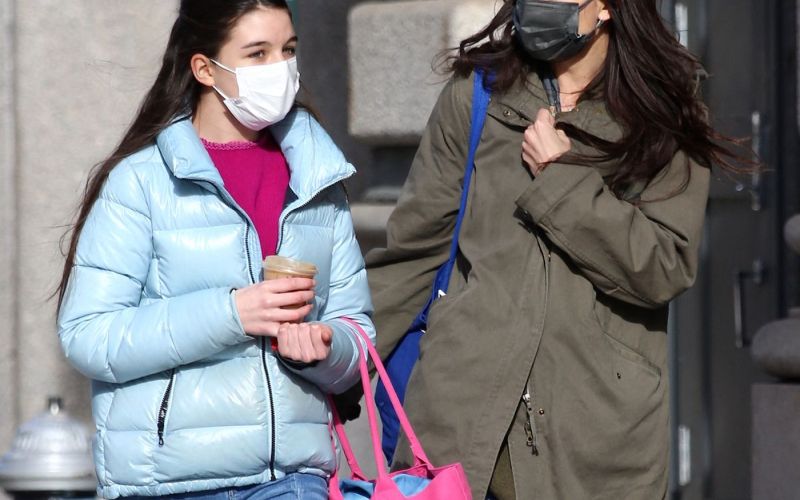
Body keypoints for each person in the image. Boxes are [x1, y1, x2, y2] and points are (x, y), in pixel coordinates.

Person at [365, 0, 750, 498]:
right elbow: (412, 253)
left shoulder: (664, 112)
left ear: (606, 8)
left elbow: (663, 266)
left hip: (593, 442)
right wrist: (340, 359)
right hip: (457, 428)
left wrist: (560, 180)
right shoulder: (478, 93)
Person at [55, 1, 375, 498]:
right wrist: (232, 314)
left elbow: (357, 332)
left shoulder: (318, 178)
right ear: (205, 69)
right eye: (257, 53)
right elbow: (88, 335)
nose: (280, 68)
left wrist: (325, 348)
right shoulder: (141, 182)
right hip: (168, 481)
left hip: (290, 479)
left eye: (288, 50)